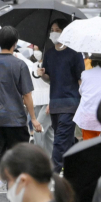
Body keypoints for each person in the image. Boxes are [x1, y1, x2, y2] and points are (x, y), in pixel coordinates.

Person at [0, 25, 42, 202]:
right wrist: (34, 118)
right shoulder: (19, 64)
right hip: (16, 119)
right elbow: (27, 94)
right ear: (14, 44)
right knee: (19, 158)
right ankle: (17, 195)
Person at [38, 20, 85, 173]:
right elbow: (49, 79)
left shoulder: (75, 53)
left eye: (57, 29)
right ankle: (76, 168)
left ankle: (53, 171)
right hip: (55, 103)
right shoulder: (49, 53)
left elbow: (80, 80)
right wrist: (43, 74)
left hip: (71, 102)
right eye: (52, 29)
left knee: (59, 140)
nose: (54, 32)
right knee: (67, 139)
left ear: (65, 31)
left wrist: (84, 101)